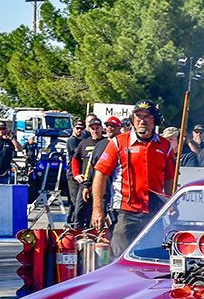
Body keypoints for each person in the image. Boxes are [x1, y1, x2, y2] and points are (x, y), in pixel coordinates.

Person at [92, 99, 175, 256]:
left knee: (152, 259)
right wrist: (97, 210)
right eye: (138, 116)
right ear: (132, 120)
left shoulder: (165, 145)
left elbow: (169, 178)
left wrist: (170, 203)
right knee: (120, 259)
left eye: (147, 116)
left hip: (154, 212)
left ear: (154, 120)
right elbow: (100, 174)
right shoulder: (118, 142)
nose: (142, 120)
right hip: (125, 212)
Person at [71, 117, 108, 227]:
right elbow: (75, 159)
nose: (95, 131)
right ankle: (77, 235)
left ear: (102, 129)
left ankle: (96, 234)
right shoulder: (84, 143)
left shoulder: (106, 143)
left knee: (99, 211)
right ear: (89, 129)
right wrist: (76, 174)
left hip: (101, 182)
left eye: (97, 128)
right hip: (86, 181)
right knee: (79, 211)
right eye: (92, 128)